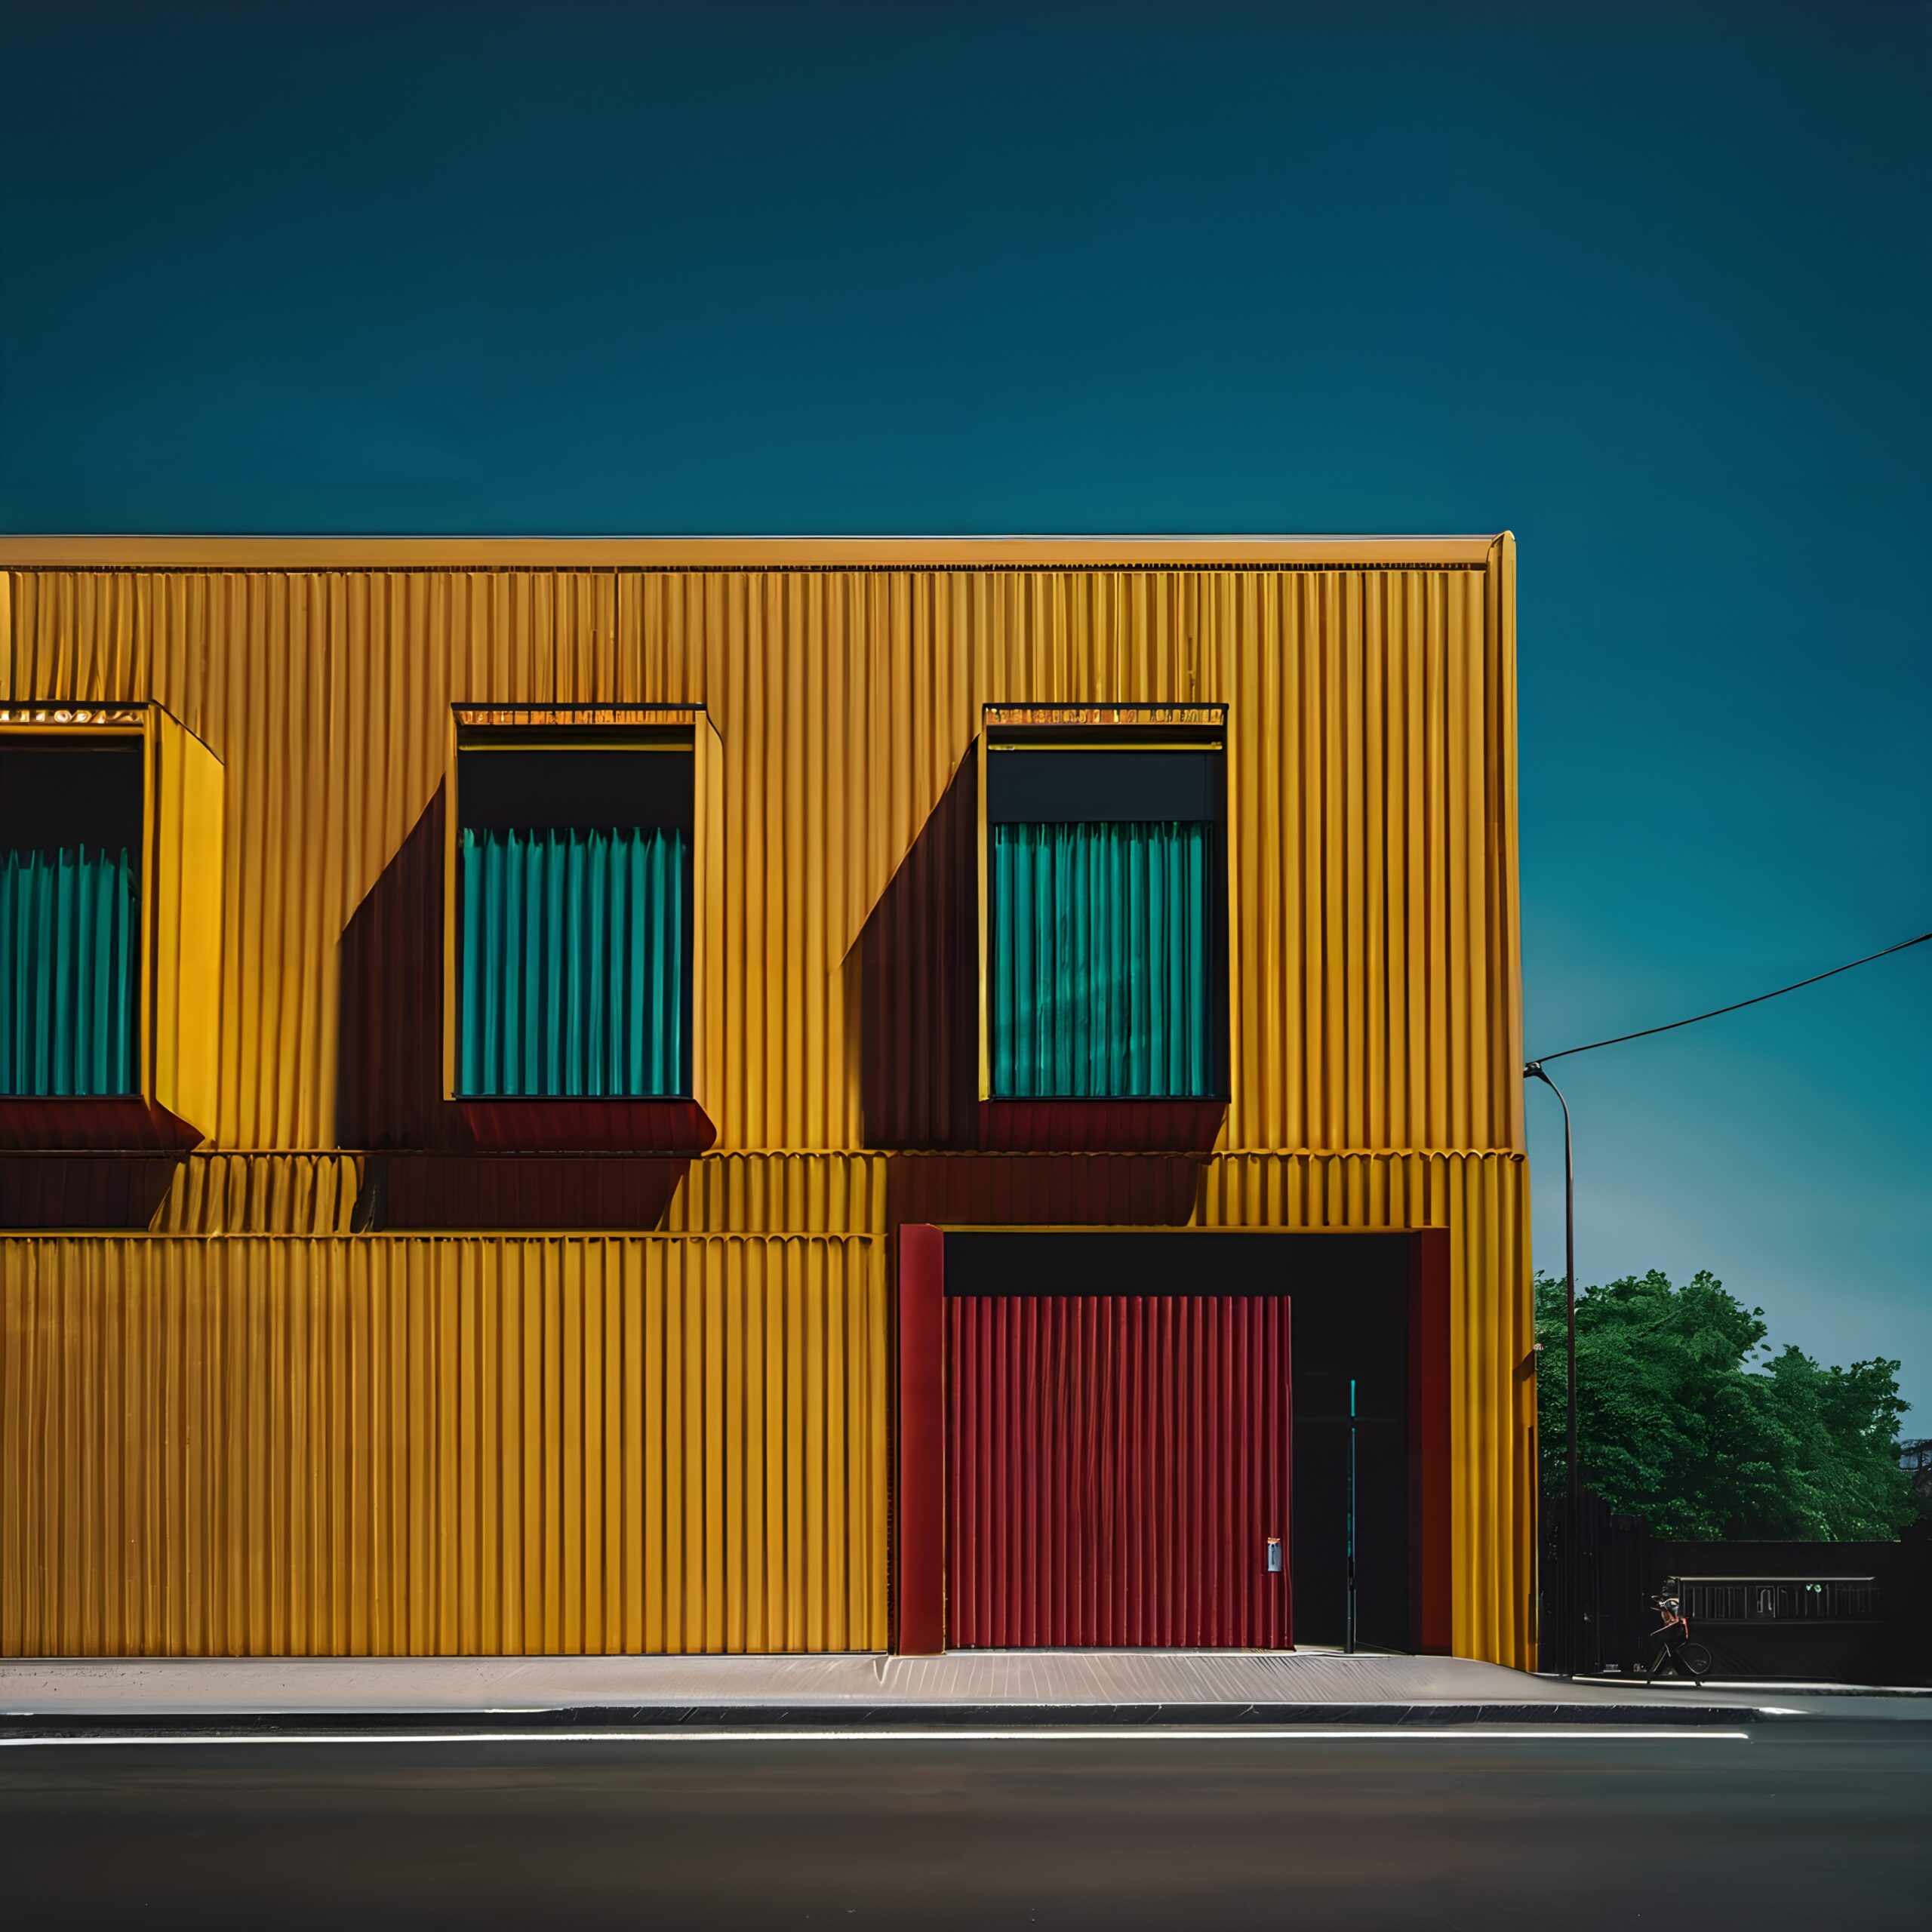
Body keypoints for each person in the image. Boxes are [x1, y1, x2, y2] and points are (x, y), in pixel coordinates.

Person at [1643, 1586, 1703, 1687]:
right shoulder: (1672, 1603)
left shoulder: (1672, 1602)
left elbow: (1677, 1619)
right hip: (1677, 1630)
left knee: (1655, 1638)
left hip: (1678, 1631)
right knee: (1670, 1650)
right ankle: (1656, 1671)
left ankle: (1652, 1670)